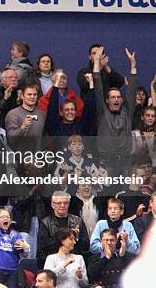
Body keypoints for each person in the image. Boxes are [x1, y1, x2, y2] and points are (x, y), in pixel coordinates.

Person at [93, 46, 137, 176]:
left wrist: (133, 64)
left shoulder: (127, 111)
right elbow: (97, 86)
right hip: (106, 162)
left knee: (126, 194)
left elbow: (132, 89)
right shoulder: (102, 111)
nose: (116, 99)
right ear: (107, 100)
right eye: (113, 97)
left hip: (125, 162)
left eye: (119, 97)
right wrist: (96, 62)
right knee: (106, 194)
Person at [0, 190, 30, 287]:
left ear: (10, 220)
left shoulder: (17, 235)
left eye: (7, 217)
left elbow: (25, 255)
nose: (5, 219)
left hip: (13, 270)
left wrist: (26, 247)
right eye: (2, 217)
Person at [37, 191, 90, 263]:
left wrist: (76, 238)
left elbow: (86, 246)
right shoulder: (46, 222)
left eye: (66, 203)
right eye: (59, 203)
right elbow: (42, 247)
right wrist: (65, 239)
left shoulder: (78, 221)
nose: (62, 205)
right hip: (53, 260)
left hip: (74, 260)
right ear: (52, 205)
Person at [4, 83, 46, 152]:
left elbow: (45, 136)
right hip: (20, 157)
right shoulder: (13, 114)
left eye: (34, 94)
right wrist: (23, 127)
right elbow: (10, 139)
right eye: (29, 94)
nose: (32, 97)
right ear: (22, 96)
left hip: (38, 156)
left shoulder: (42, 114)